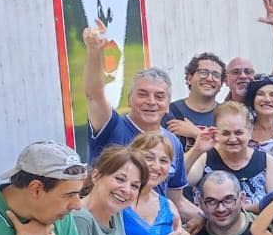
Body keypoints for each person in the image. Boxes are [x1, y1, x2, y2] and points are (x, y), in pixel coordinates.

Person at [81, 22, 193, 223]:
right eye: (143, 94)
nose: (151, 102)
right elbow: (93, 94)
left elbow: (176, 200)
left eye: (159, 96)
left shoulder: (173, 143)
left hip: (152, 232)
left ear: (168, 104)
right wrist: (94, 51)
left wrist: (204, 218)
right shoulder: (111, 126)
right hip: (109, 225)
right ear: (129, 99)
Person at [186, 101, 273, 209]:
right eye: (226, 133)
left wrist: (241, 209)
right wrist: (196, 150)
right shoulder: (204, 158)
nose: (232, 139)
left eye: (238, 133)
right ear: (216, 132)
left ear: (250, 131)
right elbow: (178, 180)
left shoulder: (267, 162)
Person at [165, 52, 226, 146]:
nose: (209, 78)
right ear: (189, 78)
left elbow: (231, 154)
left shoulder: (226, 114)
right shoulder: (170, 112)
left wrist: (196, 133)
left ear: (221, 84)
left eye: (216, 75)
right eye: (203, 73)